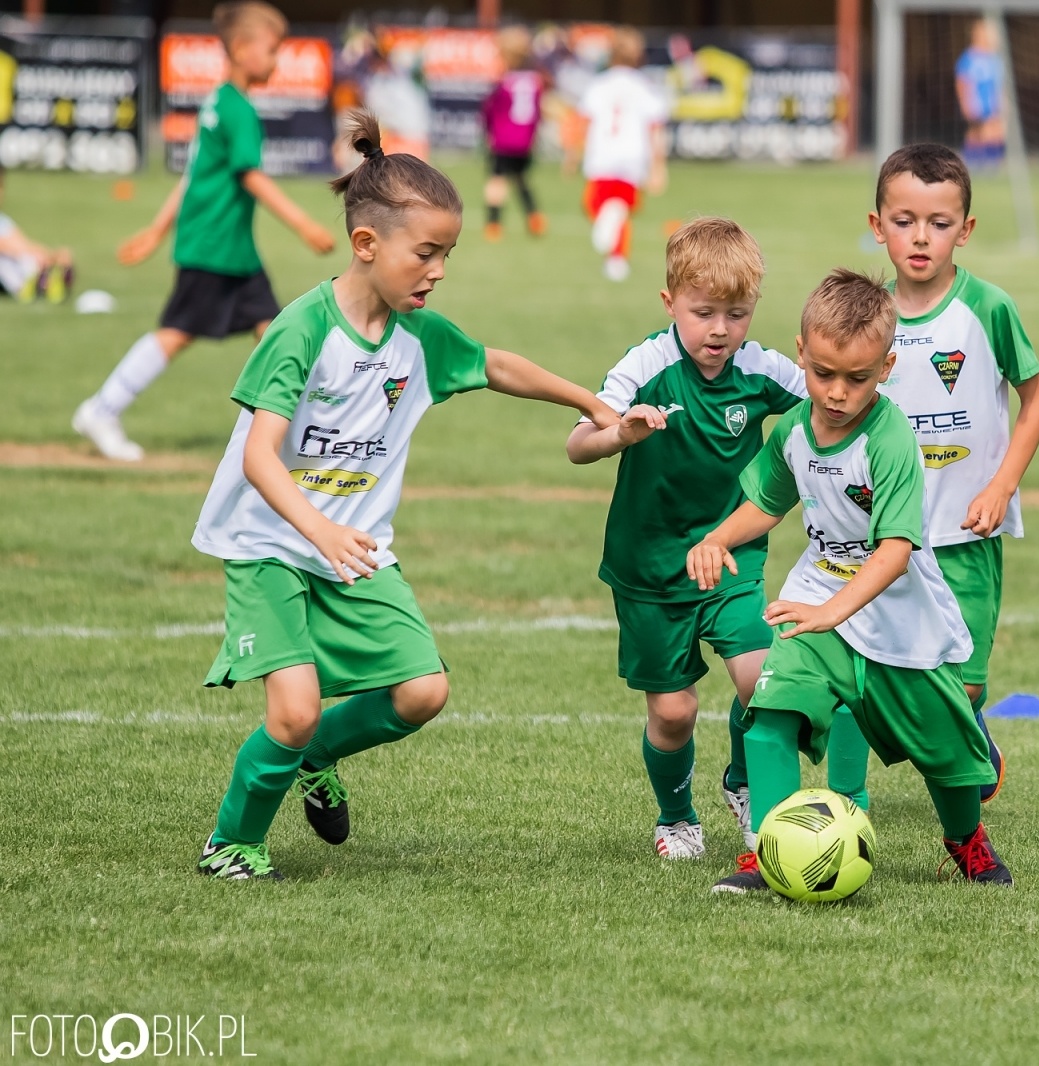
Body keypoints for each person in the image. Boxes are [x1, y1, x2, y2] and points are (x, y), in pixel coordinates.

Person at [191, 110, 618, 880]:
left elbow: (495, 365)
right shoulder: (300, 332)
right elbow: (260, 457)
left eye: (446, 254)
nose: (439, 270)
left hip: (352, 547)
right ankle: (233, 843)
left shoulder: (417, 335)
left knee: (422, 691)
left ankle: (316, 756)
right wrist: (318, 530)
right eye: (427, 253)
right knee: (291, 707)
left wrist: (591, 403)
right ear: (367, 245)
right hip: (271, 544)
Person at [690, 268, 1011, 895]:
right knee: (770, 715)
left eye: (857, 378)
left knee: (949, 757)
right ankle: (768, 851)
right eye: (823, 374)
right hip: (817, 600)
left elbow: (894, 552)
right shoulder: (793, 431)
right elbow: (769, 502)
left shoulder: (890, 440)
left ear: (886, 367)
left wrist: (836, 610)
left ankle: (965, 841)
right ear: (802, 353)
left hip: (899, 619)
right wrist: (716, 538)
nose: (837, 392)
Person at [567, 218, 871, 858]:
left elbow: (833, 399)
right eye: (702, 312)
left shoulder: (762, 370)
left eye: (736, 314)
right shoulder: (647, 365)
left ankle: (744, 781)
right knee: (673, 712)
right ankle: (675, 818)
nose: (719, 330)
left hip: (729, 556)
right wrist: (621, 432)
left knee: (762, 681)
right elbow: (578, 444)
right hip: (649, 568)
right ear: (669, 302)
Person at [72, 0, 336, 463]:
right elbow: (249, 176)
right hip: (214, 248)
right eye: (272, 50)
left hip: (230, 249)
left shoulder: (218, 100)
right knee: (178, 333)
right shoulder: (237, 110)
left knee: (276, 332)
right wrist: (303, 224)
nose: (276, 60)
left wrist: (157, 229)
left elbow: (194, 174)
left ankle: (310, 434)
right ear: (241, 49)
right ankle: (101, 409)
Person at [871, 143, 1039, 803]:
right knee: (880, 673)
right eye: (904, 219)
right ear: (877, 225)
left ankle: (971, 731)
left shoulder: (988, 308)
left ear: (965, 230)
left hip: (968, 527)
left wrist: (1002, 484)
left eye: (940, 222)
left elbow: (1038, 398)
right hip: (888, 536)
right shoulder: (869, 317)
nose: (921, 237)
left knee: (966, 681)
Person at [573, 27, 668, 282]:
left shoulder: (599, 84)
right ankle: (617, 260)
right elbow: (656, 128)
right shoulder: (645, 86)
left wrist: (572, 154)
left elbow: (583, 121)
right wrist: (658, 166)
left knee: (594, 204)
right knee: (621, 210)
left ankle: (614, 248)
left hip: (602, 153)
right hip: (633, 155)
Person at [481, 25, 545, 241]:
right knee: (520, 178)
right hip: (524, 140)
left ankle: (493, 223)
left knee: (496, 180)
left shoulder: (504, 82)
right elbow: (537, 112)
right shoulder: (535, 81)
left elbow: (489, 110)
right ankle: (534, 216)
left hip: (503, 139)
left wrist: (488, 131)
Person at [0, 166, 75, 304]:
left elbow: (22, 243)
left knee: (26, 257)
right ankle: (27, 284)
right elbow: (5, 246)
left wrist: (52, 256)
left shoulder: (3, 221)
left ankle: (43, 280)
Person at [955, 18, 1005, 169]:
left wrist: (1003, 101)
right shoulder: (969, 58)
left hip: (993, 102)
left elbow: (1000, 84)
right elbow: (962, 82)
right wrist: (965, 103)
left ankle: (992, 164)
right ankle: (974, 163)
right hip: (976, 101)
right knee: (977, 133)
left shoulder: (995, 58)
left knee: (995, 131)